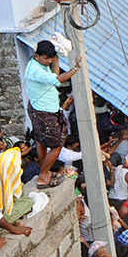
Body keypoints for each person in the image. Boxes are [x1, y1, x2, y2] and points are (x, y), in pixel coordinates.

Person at [23, 39, 82, 187]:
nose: (49, 61)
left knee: (42, 141)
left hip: (40, 108)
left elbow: (54, 74)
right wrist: (76, 68)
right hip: (44, 112)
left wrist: (55, 58)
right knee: (57, 144)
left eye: (51, 57)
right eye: (46, 58)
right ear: (37, 56)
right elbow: (58, 79)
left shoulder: (40, 64)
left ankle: (45, 171)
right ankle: (43, 175)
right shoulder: (35, 70)